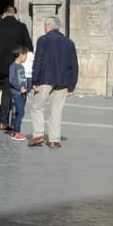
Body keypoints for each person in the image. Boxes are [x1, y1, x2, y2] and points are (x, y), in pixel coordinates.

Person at [28, 17, 79, 148]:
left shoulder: (43, 40)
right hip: (63, 81)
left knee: (37, 107)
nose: (44, 28)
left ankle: (38, 135)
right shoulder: (69, 43)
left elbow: (38, 61)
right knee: (57, 110)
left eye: (45, 25)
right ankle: (54, 140)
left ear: (49, 26)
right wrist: (71, 86)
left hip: (45, 79)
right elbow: (74, 65)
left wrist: (35, 80)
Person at [0, 6, 33, 130]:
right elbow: (29, 46)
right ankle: (3, 122)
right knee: (7, 94)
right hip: (12, 66)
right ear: (15, 14)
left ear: (4, 13)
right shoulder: (21, 27)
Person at [8, 46, 30, 142]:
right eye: (26, 55)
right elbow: (11, 80)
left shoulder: (21, 67)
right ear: (21, 55)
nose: (26, 58)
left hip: (23, 93)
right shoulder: (13, 66)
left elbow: (22, 79)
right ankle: (16, 132)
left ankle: (15, 130)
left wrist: (28, 86)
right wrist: (19, 88)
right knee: (21, 112)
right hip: (17, 93)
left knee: (19, 113)